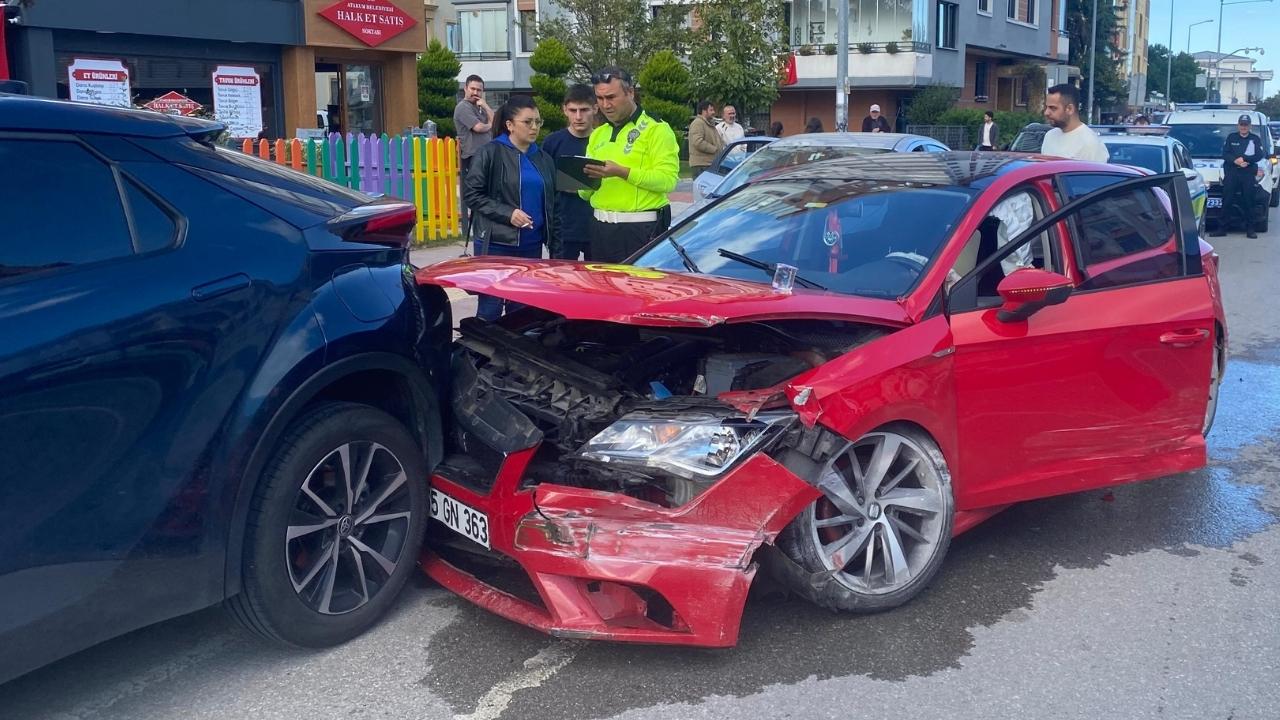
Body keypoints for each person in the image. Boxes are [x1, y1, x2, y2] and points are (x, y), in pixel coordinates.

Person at [462, 95, 557, 320]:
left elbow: (553, 205)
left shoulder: (543, 158)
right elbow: (472, 194)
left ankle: (516, 356)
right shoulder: (490, 152)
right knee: (490, 309)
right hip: (496, 245)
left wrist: (554, 244)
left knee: (522, 311)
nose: (534, 127)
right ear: (510, 125)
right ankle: (480, 356)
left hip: (531, 246)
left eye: (538, 122)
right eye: (528, 122)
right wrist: (508, 213)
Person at [580, 66, 680, 263]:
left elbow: (668, 181)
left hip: (641, 230)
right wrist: (580, 180)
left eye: (611, 97)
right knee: (603, 292)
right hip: (600, 227)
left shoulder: (656, 129)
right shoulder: (599, 133)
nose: (605, 105)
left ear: (630, 92)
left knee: (638, 291)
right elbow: (585, 193)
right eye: (600, 99)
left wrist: (621, 172)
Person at [541, 83, 597, 260]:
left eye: (584, 110)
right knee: (561, 283)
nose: (578, 116)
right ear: (565, 110)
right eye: (573, 110)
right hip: (563, 228)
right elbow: (543, 183)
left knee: (597, 283)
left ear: (595, 108)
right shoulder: (552, 143)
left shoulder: (605, 140)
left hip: (598, 227)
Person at [454, 75, 495, 240]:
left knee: (489, 194)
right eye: (473, 89)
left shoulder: (479, 108)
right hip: (472, 157)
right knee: (478, 197)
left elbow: (495, 121)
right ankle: (479, 234)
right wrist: (491, 125)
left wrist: (485, 106)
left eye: (479, 90)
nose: (476, 93)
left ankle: (486, 231)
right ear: (465, 88)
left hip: (486, 155)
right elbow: (479, 128)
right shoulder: (462, 107)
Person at [1216, 114, 1265, 239]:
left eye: (1246, 125)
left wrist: (1245, 159)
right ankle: (1222, 228)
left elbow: (1259, 154)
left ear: (1250, 126)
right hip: (1232, 172)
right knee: (1227, 200)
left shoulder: (1255, 139)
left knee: (1249, 201)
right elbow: (1225, 154)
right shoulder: (1231, 137)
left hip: (1247, 173)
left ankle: (1250, 229)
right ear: (1238, 125)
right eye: (1242, 124)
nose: (1243, 127)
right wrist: (1235, 161)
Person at [1040, 83, 1110, 162]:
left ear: (1070, 109)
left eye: (1053, 108)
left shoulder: (1090, 144)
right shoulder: (1049, 136)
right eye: (1046, 107)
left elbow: (1094, 173)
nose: (1046, 112)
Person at [687, 100, 724, 179]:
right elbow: (698, 142)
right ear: (704, 111)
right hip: (701, 165)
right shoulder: (698, 123)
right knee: (702, 190)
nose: (713, 112)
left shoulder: (709, 124)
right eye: (711, 110)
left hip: (709, 164)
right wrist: (714, 149)